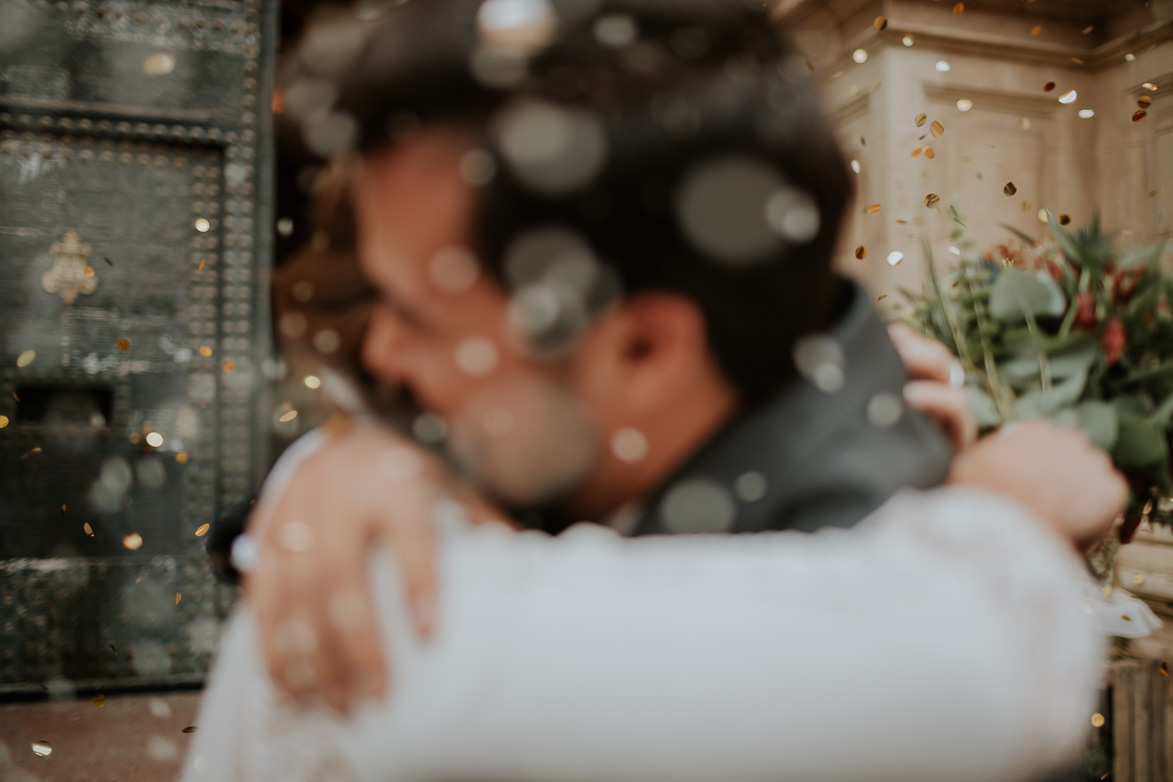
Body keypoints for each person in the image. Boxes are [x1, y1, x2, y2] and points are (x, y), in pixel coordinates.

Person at [186, 1, 1129, 779]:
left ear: (641, 346)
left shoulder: (416, 629)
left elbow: (967, 677)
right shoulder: (480, 475)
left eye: (422, 318)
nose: (378, 355)